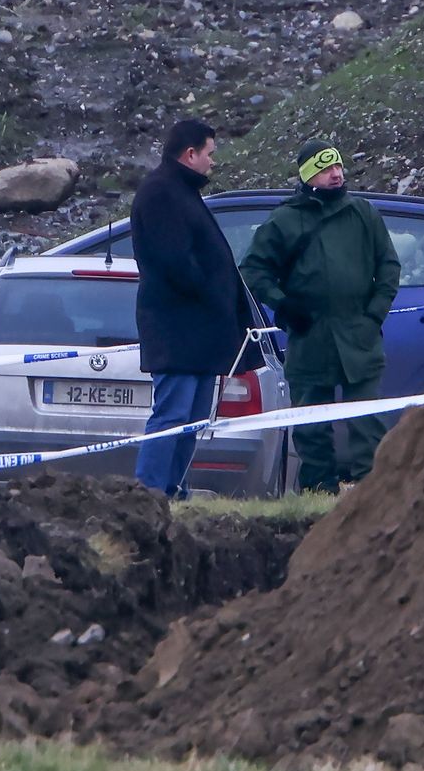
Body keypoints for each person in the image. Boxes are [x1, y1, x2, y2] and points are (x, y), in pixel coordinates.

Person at [240, 139, 401, 493]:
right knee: (311, 423)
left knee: (366, 420)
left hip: (359, 336)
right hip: (309, 335)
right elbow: (253, 270)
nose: (336, 174)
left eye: (338, 167)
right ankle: (317, 493)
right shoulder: (285, 220)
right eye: (327, 169)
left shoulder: (363, 213)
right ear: (308, 175)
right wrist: (283, 306)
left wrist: (374, 316)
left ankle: (370, 492)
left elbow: (388, 266)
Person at [131, 119, 260, 498]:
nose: (212, 162)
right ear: (190, 154)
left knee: (193, 419)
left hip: (200, 332)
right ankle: (150, 494)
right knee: (172, 416)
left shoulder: (182, 192)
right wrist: (212, 293)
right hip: (178, 331)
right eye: (210, 154)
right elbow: (174, 261)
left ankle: (173, 489)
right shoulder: (160, 193)